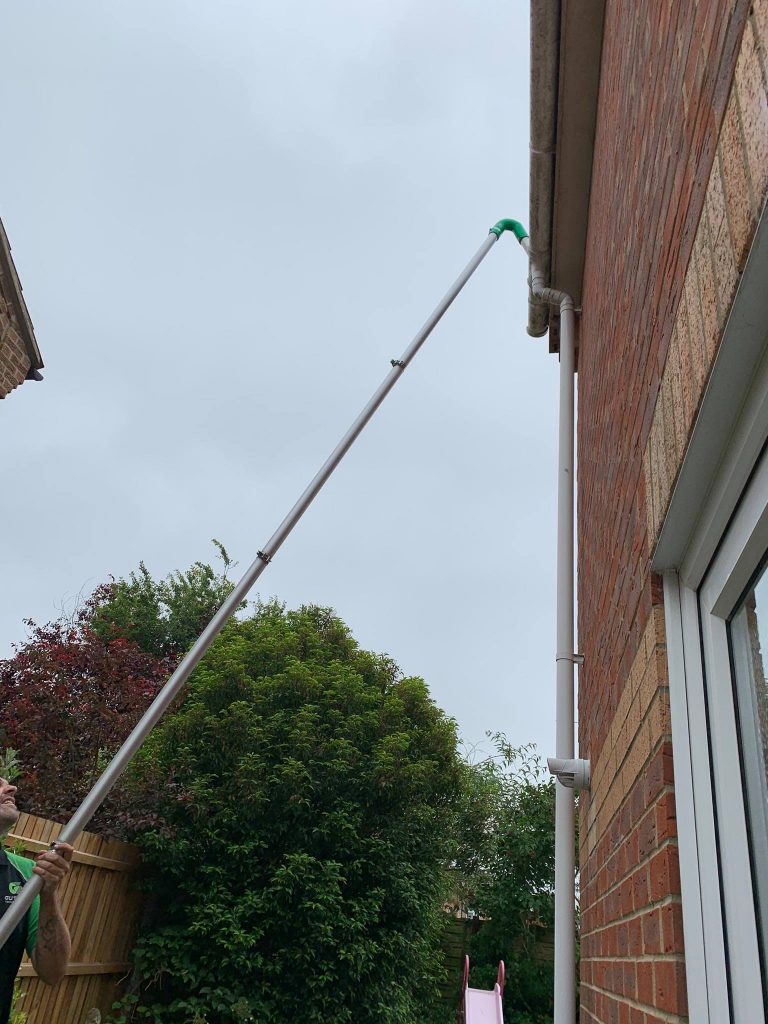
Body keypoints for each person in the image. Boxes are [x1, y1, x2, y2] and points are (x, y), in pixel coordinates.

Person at [0, 775, 73, 1024]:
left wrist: (49, 895)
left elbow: (53, 972)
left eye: (6, 782)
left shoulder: (26, 877)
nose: (11, 788)